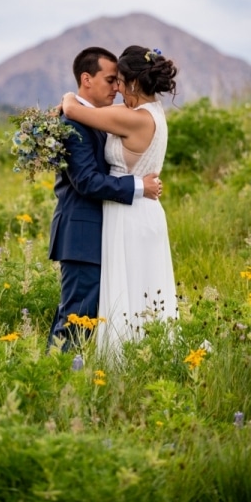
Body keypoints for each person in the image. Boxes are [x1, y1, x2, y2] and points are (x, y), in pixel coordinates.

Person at [61, 45, 179, 355]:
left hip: (130, 214)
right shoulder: (150, 113)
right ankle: (143, 357)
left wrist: (67, 98)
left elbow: (74, 110)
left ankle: (123, 360)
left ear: (134, 83)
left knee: (130, 289)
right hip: (141, 211)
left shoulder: (131, 117)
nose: (117, 88)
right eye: (112, 81)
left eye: (120, 81)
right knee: (139, 289)